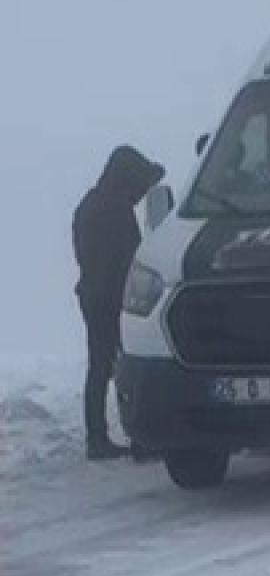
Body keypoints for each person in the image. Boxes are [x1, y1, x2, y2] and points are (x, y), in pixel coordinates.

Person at [73, 146, 164, 461]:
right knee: (127, 367)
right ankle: (140, 439)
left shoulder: (90, 205)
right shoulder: (115, 211)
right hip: (114, 299)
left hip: (93, 295)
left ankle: (97, 436)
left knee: (99, 366)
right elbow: (129, 258)